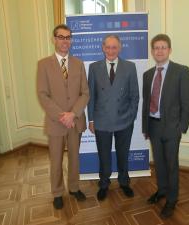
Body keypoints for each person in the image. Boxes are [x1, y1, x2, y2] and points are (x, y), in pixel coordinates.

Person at [37, 24, 90, 209]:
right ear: (54, 39)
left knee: (75, 157)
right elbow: (43, 94)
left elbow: (85, 93)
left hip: (75, 121)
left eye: (68, 37)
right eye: (61, 37)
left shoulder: (78, 63)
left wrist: (73, 114)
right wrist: (63, 115)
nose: (64, 41)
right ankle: (57, 192)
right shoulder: (43, 64)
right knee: (56, 160)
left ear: (71, 40)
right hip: (56, 122)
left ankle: (74, 188)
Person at [142, 34, 189, 218]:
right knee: (159, 163)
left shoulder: (181, 71)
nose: (160, 51)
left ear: (169, 50)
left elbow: (187, 103)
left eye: (163, 47)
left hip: (172, 127)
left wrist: (181, 127)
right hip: (154, 126)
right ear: (152, 51)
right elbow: (146, 102)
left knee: (171, 165)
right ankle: (162, 190)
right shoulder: (148, 75)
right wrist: (146, 127)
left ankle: (172, 199)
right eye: (156, 48)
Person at [88, 34, 139, 201]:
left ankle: (124, 182)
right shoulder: (94, 68)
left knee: (123, 154)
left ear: (120, 48)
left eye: (114, 47)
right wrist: (91, 119)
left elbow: (134, 95)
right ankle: (104, 184)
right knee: (104, 155)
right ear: (103, 47)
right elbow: (91, 96)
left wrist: (131, 117)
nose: (110, 50)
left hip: (124, 121)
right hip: (102, 121)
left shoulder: (130, 67)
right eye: (108, 47)